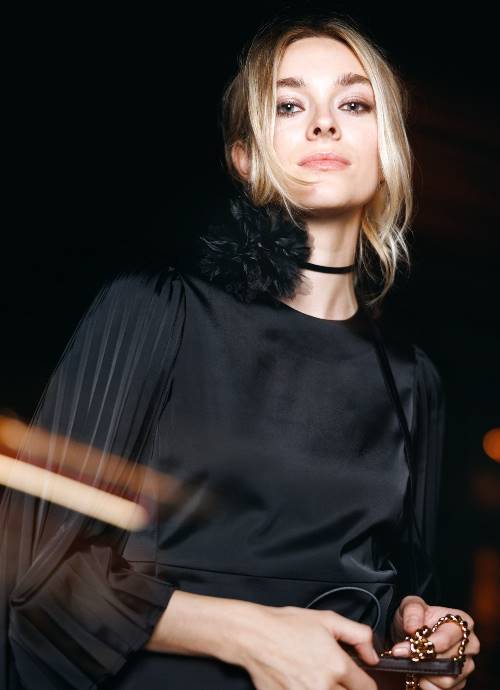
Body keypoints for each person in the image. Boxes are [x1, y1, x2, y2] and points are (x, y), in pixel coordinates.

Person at [0, 12, 480, 690]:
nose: (324, 124)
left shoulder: (414, 379)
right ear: (245, 158)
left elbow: (410, 585)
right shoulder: (157, 311)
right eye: (289, 105)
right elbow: (30, 577)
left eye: (353, 103)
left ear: (388, 148)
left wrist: (429, 629)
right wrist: (251, 634)